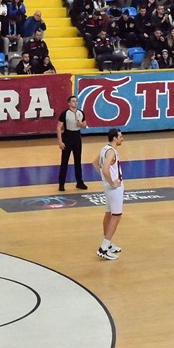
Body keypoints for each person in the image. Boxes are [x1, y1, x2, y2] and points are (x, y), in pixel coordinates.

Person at [96, 129, 125, 261]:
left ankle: (107, 243)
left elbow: (95, 163)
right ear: (114, 138)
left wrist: (104, 179)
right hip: (114, 189)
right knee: (116, 216)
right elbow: (105, 169)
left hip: (107, 188)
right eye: (120, 136)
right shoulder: (111, 151)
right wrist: (112, 182)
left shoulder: (104, 149)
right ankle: (103, 247)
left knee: (108, 213)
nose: (122, 139)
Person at [56, 95, 89, 192]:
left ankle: (79, 182)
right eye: (73, 101)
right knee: (64, 161)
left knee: (78, 161)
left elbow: (85, 125)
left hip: (77, 137)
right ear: (69, 103)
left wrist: (81, 124)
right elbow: (58, 127)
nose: (75, 103)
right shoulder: (64, 113)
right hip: (67, 137)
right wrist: (60, 141)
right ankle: (61, 183)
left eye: (76, 101)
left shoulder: (80, 112)